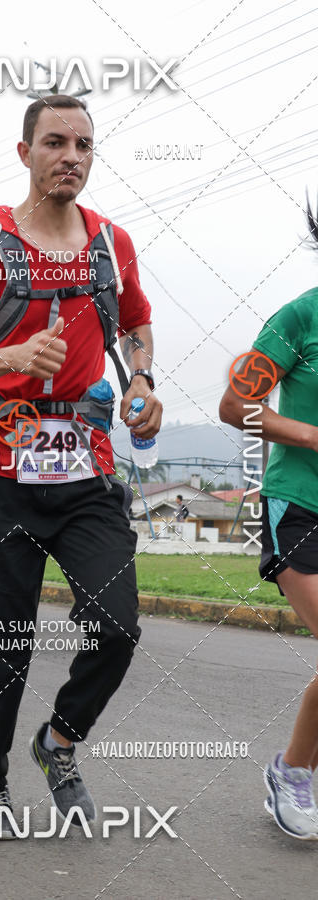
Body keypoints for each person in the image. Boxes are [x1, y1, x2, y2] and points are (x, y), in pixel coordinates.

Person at [0, 94, 162, 838]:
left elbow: (138, 321)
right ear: (24, 153)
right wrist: (14, 357)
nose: (72, 157)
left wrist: (143, 383)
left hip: (86, 474)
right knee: (6, 654)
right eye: (55, 142)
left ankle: (58, 743)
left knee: (116, 629)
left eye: (84, 145)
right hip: (1, 478)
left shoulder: (111, 244)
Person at [219, 197, 318, 840]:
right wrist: (312, 435)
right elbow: (235, 406)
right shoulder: (300, 316)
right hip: (298, 506)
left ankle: (294, 768)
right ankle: (292, 773)